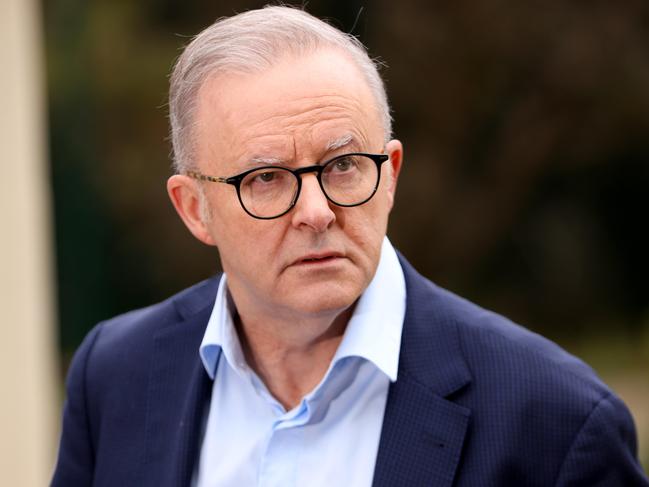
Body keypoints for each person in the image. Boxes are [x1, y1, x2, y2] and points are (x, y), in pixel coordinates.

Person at [51, 5, 649, 487]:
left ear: (389, 173)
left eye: (342, 166)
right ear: (194, 209)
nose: (316, 212)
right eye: (265, 178)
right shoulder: (115, 374)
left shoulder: (555, 422)